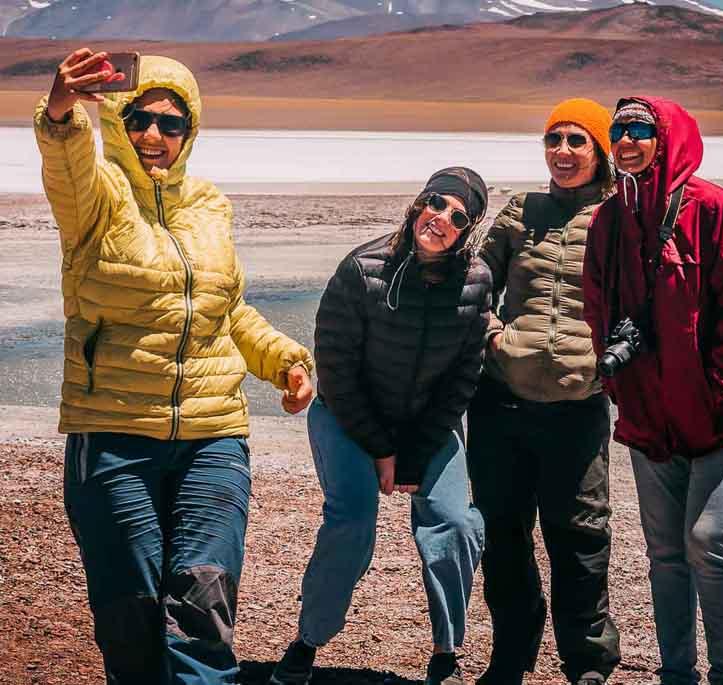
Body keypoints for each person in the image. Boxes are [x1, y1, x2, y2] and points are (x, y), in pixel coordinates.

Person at [34, 49, 314, 684]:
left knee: (203, 603)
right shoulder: (97, 197)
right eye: (138, 119)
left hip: (212, 436)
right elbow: (66, 160)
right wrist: (59, 111)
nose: (153, 136)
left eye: (171, 123)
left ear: (192, 131)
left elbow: (225, 309)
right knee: (131, 612)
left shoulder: (209, 205)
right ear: (116, 122)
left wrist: (286, 361)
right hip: (114, 435)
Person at [583, 96, 723, 685]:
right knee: (665, 555)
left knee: (707, 542)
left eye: (639, 130)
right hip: (655, 417)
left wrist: (718, 386)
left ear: (666, 137)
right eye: (618, 130)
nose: (626, 140)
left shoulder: (710, 207)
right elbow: (598, 306)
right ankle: (678, 674)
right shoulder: (610, 219)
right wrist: (623, 382)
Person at [270, 167, 492, 685]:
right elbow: (337, 369)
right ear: (419, 204)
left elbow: (464, 377)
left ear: (469, 229)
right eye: (434, 203)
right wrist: (380, 448)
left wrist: (414, 451)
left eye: (457, 216)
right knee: (351, 520)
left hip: (426, 427)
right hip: (348, 417)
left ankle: (446, 653)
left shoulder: (477, 282)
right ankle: (307, 642)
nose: (440, 218)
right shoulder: (363, 268)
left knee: (455, 524)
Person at [467, 99, 621, 685]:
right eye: (553, 139)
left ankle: (587, 662)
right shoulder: (519, 212)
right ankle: (512, 651)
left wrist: (609, 363)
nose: (562, 151)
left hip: (577, 404)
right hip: (502, 400)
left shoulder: (619, 218)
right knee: (503, 533)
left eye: (576, 140)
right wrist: (494, 337)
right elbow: (475, 283)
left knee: (579, 535)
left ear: (600, 150)